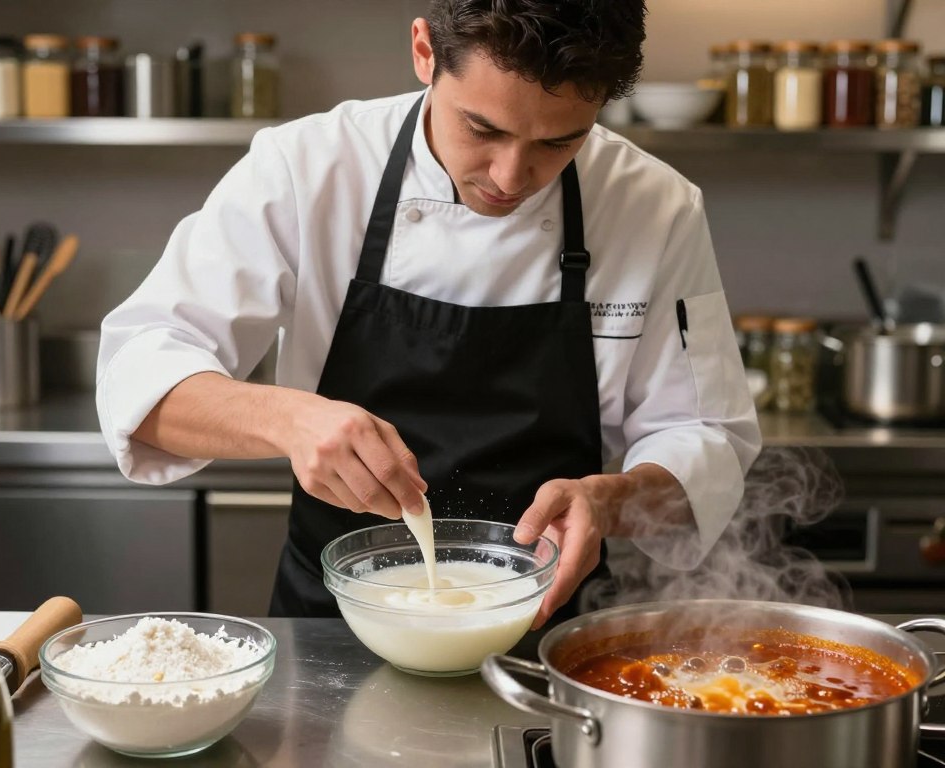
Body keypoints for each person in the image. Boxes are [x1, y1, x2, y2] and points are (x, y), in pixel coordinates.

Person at [96, 0, 761, 628]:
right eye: (483, 129)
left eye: (559, 143)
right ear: (424, 52)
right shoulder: (309, 167)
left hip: (543, 624)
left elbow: (706, 439)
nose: (510, 176)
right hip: (332, 623)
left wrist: (608, 501)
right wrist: (287, 419)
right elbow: (139, 376)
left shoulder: (654, 206)